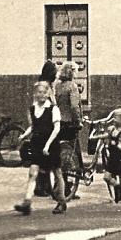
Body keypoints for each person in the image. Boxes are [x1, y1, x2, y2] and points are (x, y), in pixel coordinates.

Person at [14, 82, 66, 215]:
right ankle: (27, 202)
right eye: (39, 92)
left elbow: (57, 128)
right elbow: (34, 127)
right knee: (33, 173)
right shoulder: (33, 109)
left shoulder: (53, 109)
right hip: (37, 144)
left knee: (57, 172)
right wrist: (23, 135)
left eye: (44, 92)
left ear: (48, 93)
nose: (41, 95)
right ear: (35, 94)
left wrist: (48, 144)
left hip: (51, 144)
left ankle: (61, 201)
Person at [52, 62, 84, 198]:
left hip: (59, 123)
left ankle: (57, 186)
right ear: (72, 72)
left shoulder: (57, 86)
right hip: (70, 123)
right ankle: (70, 187)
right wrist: (78, 121)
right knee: (73, 155)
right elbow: (74, 106)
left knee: (61, 155)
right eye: (75, 71)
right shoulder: (72, 86)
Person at [98, 108, 121, 213]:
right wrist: (97, 137)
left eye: (116, 117)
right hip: (112, 159)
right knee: (107, 177)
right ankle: (118, 187)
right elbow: (107, 135)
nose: (114, 119)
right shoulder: (112, 129)